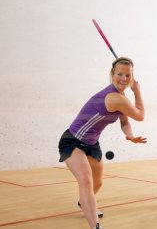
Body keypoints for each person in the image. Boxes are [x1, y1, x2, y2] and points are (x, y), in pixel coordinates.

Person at [58, 57, 147, 229]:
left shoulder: (121, 97)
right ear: (112, 74)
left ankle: (84, 202)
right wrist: (137, 91)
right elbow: (140, 116)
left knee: (97, 183)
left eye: (128, 75)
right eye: (120, 74)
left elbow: (124, 121)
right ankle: (95, 226)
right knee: (86, 181)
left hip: (92, 144)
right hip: (72, 140)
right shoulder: (114, 97)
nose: (124, 78)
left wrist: (129, 135)